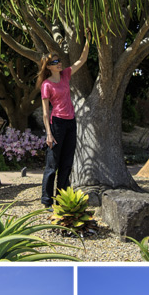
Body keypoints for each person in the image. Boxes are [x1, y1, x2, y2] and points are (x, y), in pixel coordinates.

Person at [38, 50, 90, 207]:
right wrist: (48, 133)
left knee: (67, 164)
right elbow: (46, 113)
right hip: (57, 124)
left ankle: (61, 199)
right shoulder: (46, 85)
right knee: (52, 165)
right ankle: (47, 201)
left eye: (58, 60)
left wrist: (87, 41)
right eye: (54, 62)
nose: (59, 63)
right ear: (48, 67)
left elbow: (81, 60)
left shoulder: (66, 75)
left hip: (71, 123)